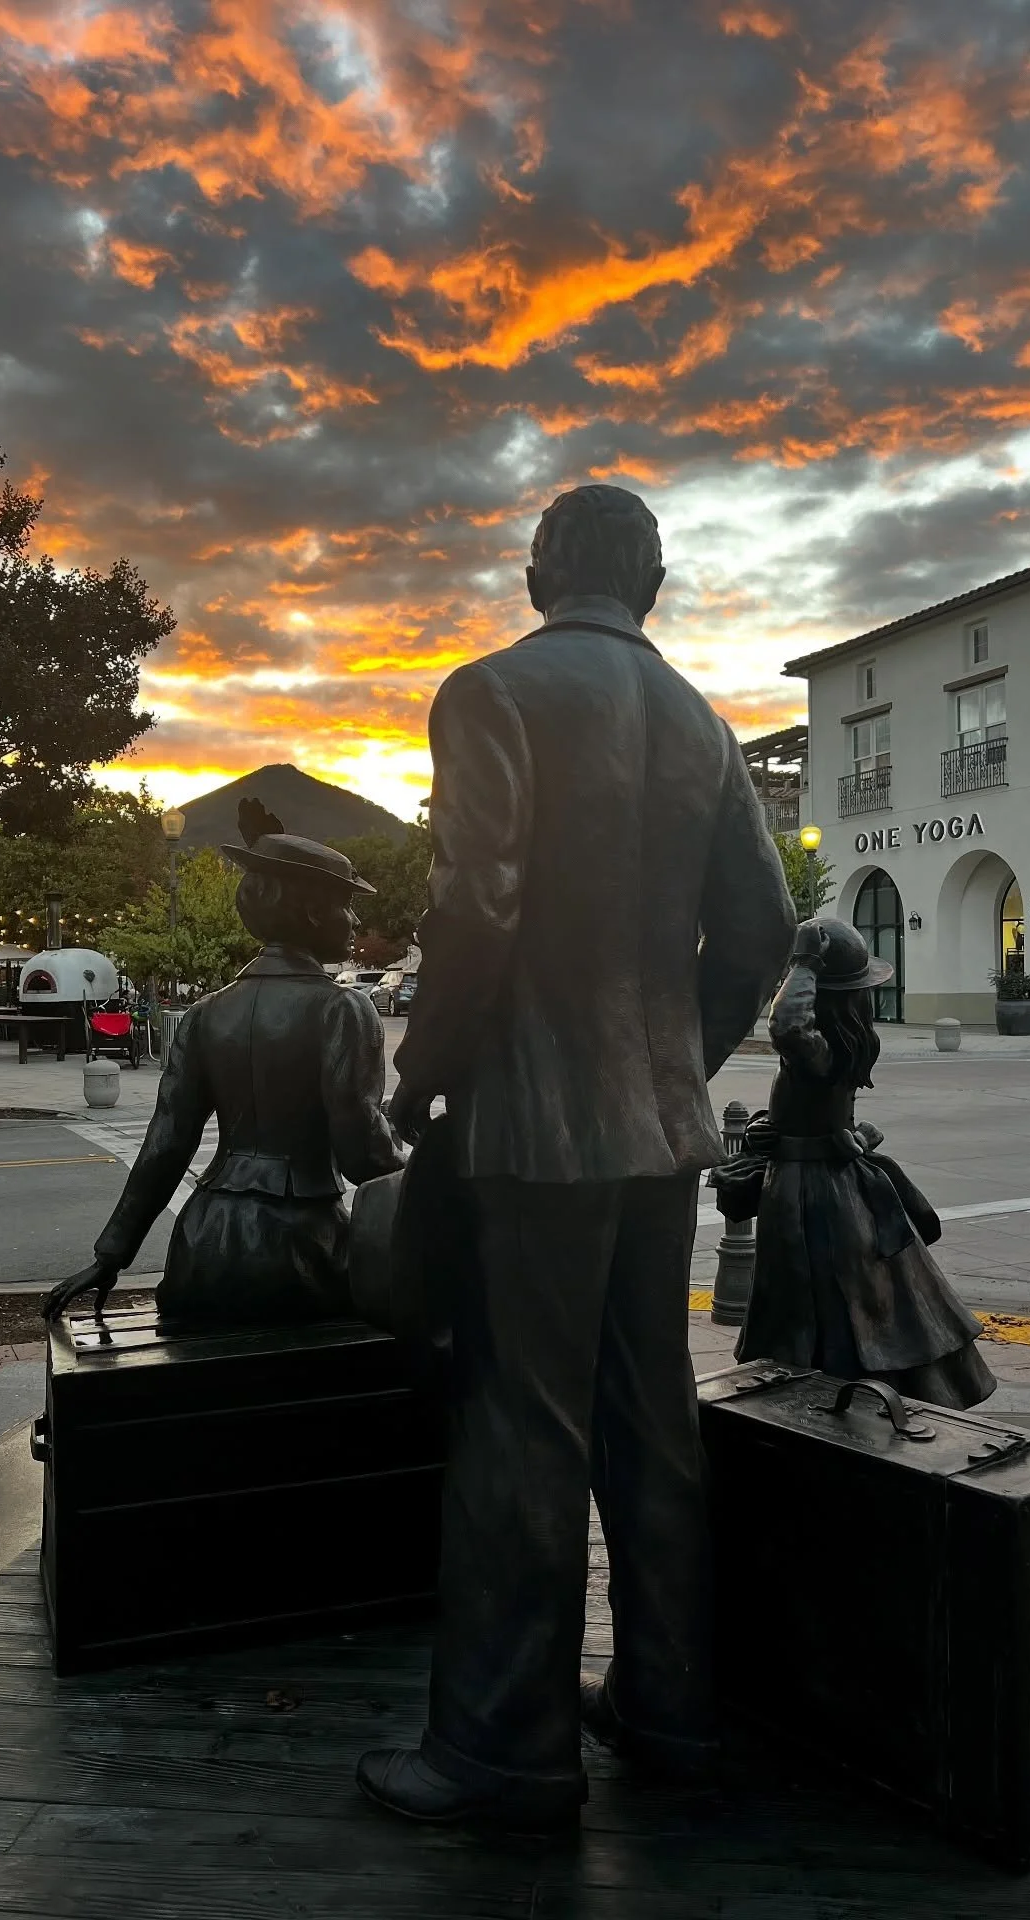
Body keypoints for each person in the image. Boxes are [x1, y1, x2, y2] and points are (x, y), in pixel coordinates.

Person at [356, 484, 797, 1829]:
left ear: (541, 570)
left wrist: (422, 1074)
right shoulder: (705, 726)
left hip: (531, 1132)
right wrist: (674, 1062)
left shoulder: (491, 693)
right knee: (649, 1421)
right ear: (652, 581)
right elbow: (766, 927)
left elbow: (476, 902)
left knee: (519, 1429)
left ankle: (503, 1746)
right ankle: (669, 1708)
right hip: (656, 1132)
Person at [43, 805, 403, 1330]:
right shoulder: (343, 1009)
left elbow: (166, 1143)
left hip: (203, 1242)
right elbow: (360, 1152)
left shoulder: (204, 1015)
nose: (354, 921)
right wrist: (419, 1168)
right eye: (346, 906)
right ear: (309, 912)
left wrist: (111, 1255)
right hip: (301, 1248)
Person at [718, 918, 995, 1408]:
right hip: (827, 1178)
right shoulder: (845, 1040)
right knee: (854, 1297)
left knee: (819, 1301)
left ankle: (819, 1395)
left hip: (809, 1191)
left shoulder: (821, 1049)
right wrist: (772, 1127)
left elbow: (786, 1025)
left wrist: (803, 962)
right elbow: (814, 1110)